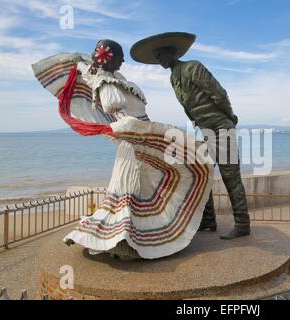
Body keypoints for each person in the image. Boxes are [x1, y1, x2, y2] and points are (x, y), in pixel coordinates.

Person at [32, 39, 213, 259]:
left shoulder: (116, 79)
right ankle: (124, 239)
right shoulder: (105, 83)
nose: (124, 60)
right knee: (134, 190)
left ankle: (132, 239)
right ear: (110, 58)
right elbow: (114, 109)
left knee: (145, 187)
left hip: (139, 141)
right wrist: (91, 72)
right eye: (120, 56)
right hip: (131, 144)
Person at [130, 32, 250, 240]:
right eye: (157, 58)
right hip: (204, 130)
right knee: (200, 172)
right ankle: (208, 221)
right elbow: (188, 106)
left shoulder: (192, 67)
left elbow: (219, 93)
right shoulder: (173, 78)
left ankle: (242, 223)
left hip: (221, 126)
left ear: (172, 53)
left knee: (230, 176)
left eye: (162, 56)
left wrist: (230, 117)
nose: (160, 61)